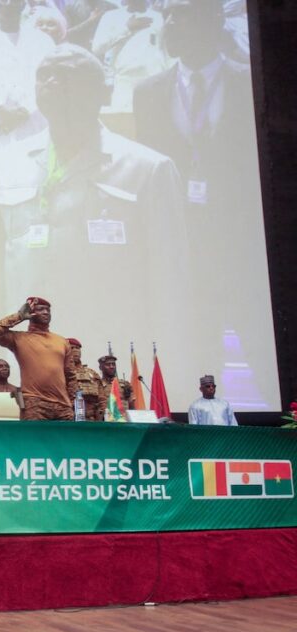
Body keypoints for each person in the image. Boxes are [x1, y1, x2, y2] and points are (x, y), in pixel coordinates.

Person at [0, 44, 188, 363]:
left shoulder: (147, 168)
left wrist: (172, 364)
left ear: (101, 92)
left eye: (67, 76)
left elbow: (169, 281)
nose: (52, 83)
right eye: (45, 75)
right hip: (26, 355)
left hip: (110, 350)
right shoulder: (2, 166)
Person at [134, 0, 269, 402]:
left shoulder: (249, 81)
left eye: (185, 14)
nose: (173, 24)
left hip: (242, 245)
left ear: (214, 22)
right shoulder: (148, 91)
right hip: (182, 246)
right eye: (169, 16)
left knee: (261, 348)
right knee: (194, 351)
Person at [0, 0, 54, 150]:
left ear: (22, 5)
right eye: (3, 1)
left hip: (35, 122)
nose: (8, 4)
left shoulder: (42, 41)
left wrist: (25, 111)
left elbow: (49, 80)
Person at [0, 297, 77, 421]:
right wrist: (19, 316)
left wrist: (73, 403)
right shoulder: (19, 338)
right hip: (35, 403)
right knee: (33, 434)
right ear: (31, 313)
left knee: (68, 434)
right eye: (40, 309)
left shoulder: (62, 341)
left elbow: (70, 375)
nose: (46, 312)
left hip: (63, 405)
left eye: (48, 310)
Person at [67, 338, 103, 421]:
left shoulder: (92, 374)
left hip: (90, 420)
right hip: (67, 420)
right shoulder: (58, 373)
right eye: (72, 348)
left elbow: (102, 400)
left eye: (77, 348)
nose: (75, 350)